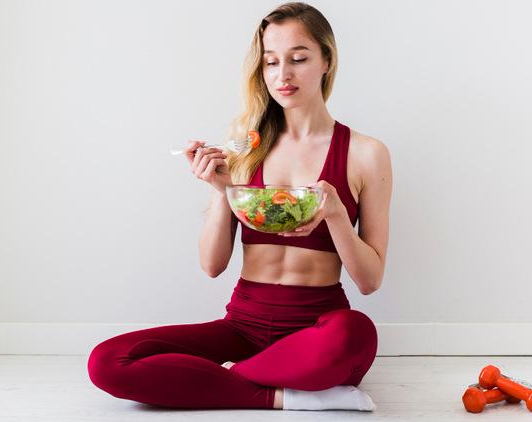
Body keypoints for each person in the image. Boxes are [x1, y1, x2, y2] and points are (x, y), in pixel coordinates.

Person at [87, 2, 392, 411]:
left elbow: (369, 280)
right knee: (107, 362)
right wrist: (221, 192)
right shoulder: (245, 149)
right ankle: (283, 394)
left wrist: (336, 213)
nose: (282, 75)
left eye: (298, 59)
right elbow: (212, 266)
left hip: (318, 327)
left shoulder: (366, 154)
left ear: (326, 60)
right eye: (271, 63)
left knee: (355, 335)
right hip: (242, 327)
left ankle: (227, 378)